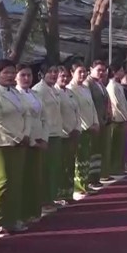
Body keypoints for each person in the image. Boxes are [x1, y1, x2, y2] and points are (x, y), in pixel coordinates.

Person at [0, 60, 28, 237]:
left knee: (16, 182)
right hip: (1, 143)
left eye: (12, 72)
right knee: (1, 181)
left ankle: (12, 219)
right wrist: (16, 137)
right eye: (6, 73)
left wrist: (25, 134)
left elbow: (26, 115)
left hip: (20, 142)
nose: (10, 76)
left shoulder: (17, 93)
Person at [17, 65, 48, 223]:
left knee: (35, 177)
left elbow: (44, 118)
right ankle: (21, 213)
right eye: (23, 75)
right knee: (23, 178)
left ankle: (33, 211)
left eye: (29, 75)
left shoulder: (35, 94)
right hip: (24, 140)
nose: (26, 78)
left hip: (39, 138)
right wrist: (30, 140)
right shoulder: (15, 95)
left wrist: (44, 138)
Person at [34, 66, 64, 213]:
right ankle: (43, 200)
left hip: (56, 132)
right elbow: (40, 115)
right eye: (50, 71)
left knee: (53, 168)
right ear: (42, 74)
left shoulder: (54, 89)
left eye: (55, 72)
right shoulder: (38, 90)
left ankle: (51, 198)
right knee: (45, 169)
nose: (53, 74)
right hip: (46, 135)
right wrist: (42, 137)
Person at [71, 63, 100, 198]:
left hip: (90, 127)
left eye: (84, 72)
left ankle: (85, 183)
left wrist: (95, 122)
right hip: (81, 128)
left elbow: (92, 107)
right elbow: (76, 112)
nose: (83, 75)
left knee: (86, 157)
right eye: (79, 72)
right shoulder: (71, 89)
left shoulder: (85, 88)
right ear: (72, 73)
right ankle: (79, 186)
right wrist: (85, 127)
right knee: (80, 158)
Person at [55, 67, 81, 205]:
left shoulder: (70, 93)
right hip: (62, 135)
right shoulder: (55, 93)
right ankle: (59, 195)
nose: (65, 79)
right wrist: (67, 131)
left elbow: (77, 112)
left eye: (66, 76)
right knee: (61, 165)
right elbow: (56, 116)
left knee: (70, 165)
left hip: (73, 133)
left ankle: (68, 193)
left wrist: (77, 129)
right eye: (62, 76)